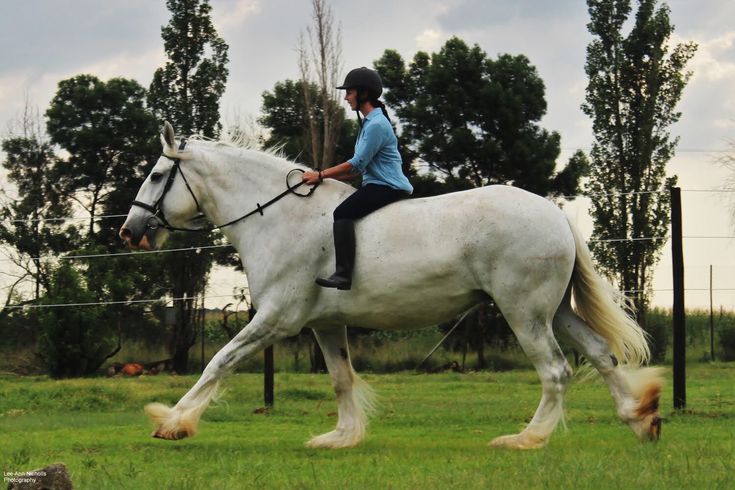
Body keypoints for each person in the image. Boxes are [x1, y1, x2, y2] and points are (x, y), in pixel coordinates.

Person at [302, 67, 413, 290]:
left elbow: (355, 165)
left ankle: (343, 274)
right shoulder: (369, 123)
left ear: (363, 93)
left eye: (349, 92)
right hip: (376, 184)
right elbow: (355, 170)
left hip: (387, 186)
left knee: (341, 213)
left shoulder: (376, 125)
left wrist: (320, 175)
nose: (345, 97)